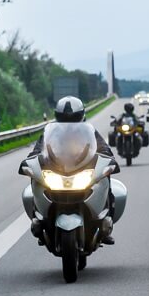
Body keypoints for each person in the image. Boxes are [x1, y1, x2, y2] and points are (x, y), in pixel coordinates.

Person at [23, 96, 121, 244]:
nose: (69, 121)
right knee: (35, 180)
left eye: (73, 117)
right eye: (65, 118)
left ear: (80, 116)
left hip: (82, 168)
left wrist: (107, 160)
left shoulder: (89, 131)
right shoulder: (50, 132)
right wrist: (31, 161)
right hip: (57, 169)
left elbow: (103, 148)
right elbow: (38, 150)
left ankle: (106, 223)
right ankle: (39, 220)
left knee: (105, 179)